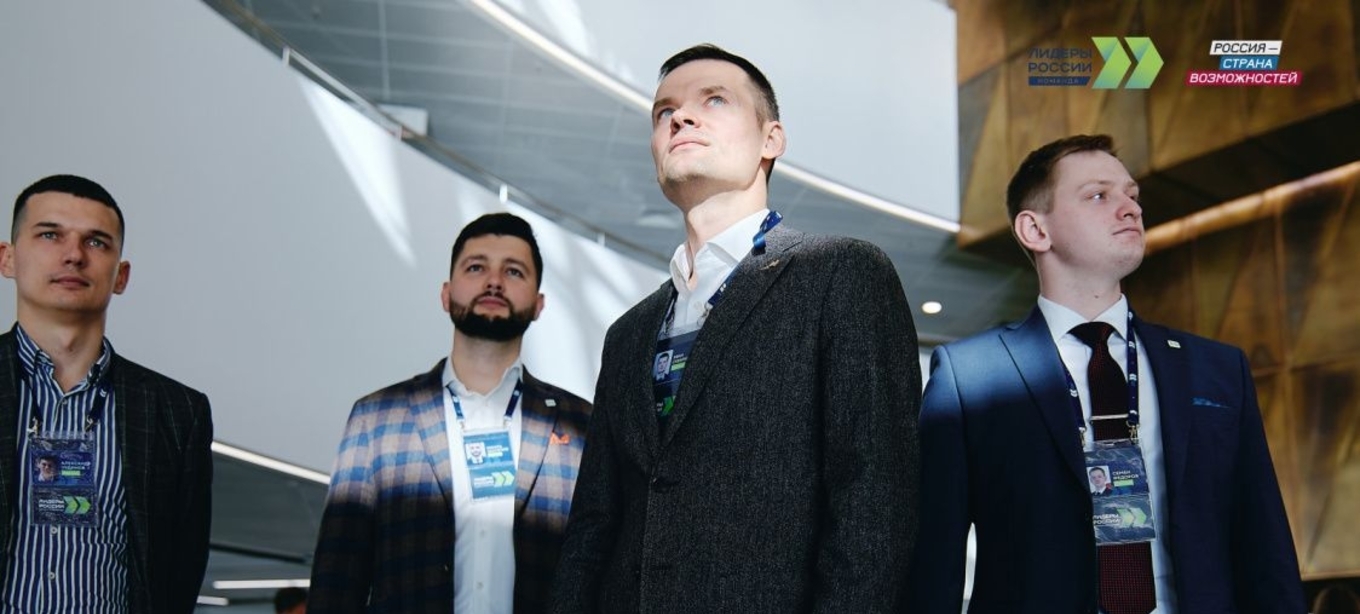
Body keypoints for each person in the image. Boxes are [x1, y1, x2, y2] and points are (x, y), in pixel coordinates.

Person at [551, 44, 921, 613]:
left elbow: (873, 504)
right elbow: (594, 525)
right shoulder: (628, 333)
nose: (680, 117)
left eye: (714, 100)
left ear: (771, 139)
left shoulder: (841, 273)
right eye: (664, 111)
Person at [908, 135, 1305, 613]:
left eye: (1132, 195)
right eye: (1099, 195)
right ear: (1035, 230)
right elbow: (935, 558)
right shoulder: (970, 376)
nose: (1131, 208)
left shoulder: (1217, 368)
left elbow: (1265, 544)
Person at [309, 213, 592, 613]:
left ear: (538, 304)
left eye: (513, 271)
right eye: (476, 267)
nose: (494, 282)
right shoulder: (376, 419)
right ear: (446, 294)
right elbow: (337, 577)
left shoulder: (581, 425)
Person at [0, 174, 214, 613]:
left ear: (121, 276)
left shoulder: (178, 412)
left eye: (96, 242)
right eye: (50, 235)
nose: (74, 255)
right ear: (8, 258)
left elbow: (179, 573)